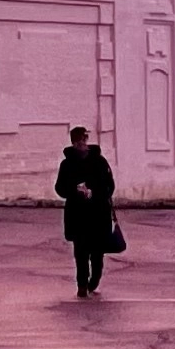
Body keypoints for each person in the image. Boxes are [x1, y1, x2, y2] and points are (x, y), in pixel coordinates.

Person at [55, 126, 116, 297]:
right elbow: (60, 188)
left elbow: (109, 186)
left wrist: (94, 192)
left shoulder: (99, 161)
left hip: (98, 214)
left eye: (84, 139)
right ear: (73, 142)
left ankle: (93, 281)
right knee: (80, 253)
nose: (82, 143)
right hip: (78, 215)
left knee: (97, 254)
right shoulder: (67, 164)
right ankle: (82, 285)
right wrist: (75, 190)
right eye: (78, 140)